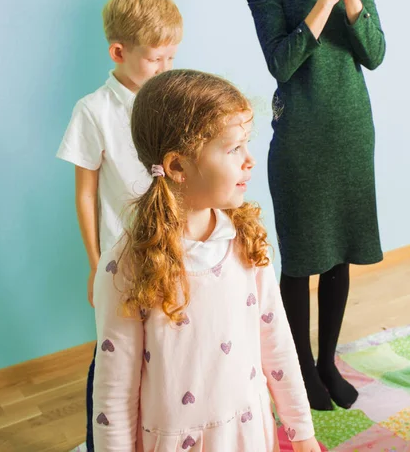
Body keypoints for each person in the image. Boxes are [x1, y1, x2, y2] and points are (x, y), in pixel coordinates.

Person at [92, 69, 321, 451]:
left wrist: (303, 433)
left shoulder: (246, 240)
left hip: (249, 434)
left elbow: (277, 344)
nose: (249, 160)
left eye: (247, 144)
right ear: (178, 166)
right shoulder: (126, 267)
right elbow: (114, 397)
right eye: (233, 148)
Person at [245, 0, 386, 410]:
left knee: (339, 255)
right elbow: (282, 63)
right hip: (301, 138)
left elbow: (373, 54)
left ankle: (327, 361)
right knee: (303, 257)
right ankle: (300, 367)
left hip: (353, 133)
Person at [56, 0, 183, 450]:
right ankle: (101, 441)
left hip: (173, 251)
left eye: (173, 57)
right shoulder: (93, 111)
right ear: (119, 51)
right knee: (113, 361)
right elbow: (86, 193)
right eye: (157, 59)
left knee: (168, 353)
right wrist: (95, 264)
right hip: (121, 259)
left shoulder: (170, 100)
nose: (166, 69)